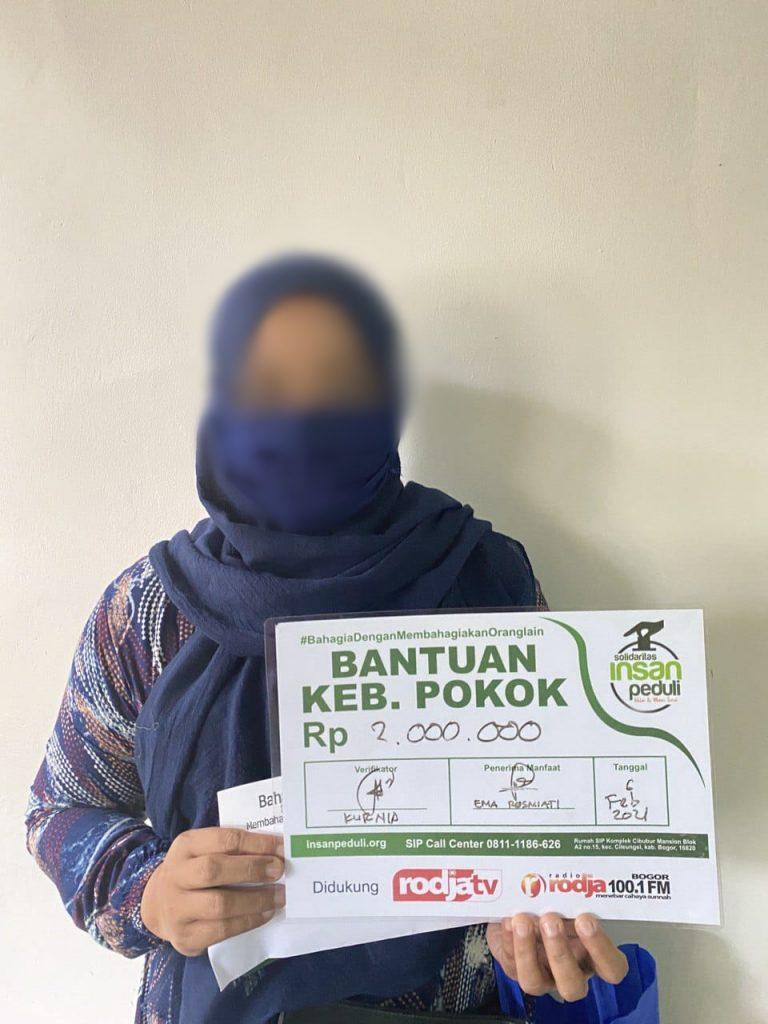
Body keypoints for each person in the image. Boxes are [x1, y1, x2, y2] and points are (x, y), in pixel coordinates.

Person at [25, 252, 659, 1024]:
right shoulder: (153, 610)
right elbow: (60, 808)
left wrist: (536, 919)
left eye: (339, 383)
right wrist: (148, 891)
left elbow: (554, 808)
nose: (303, 416)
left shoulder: (483, 577)